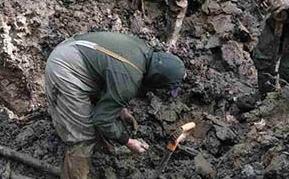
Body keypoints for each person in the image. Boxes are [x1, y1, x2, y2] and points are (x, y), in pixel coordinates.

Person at [45, 31, 186, 179]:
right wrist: (128, 141)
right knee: (82, 138)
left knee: (101, 119)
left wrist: (120, 110)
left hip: (71, 48)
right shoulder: (129, 80)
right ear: (158, 80)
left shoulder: (142, 49)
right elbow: (102, 119)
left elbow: (111, 71)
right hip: (65, 69)